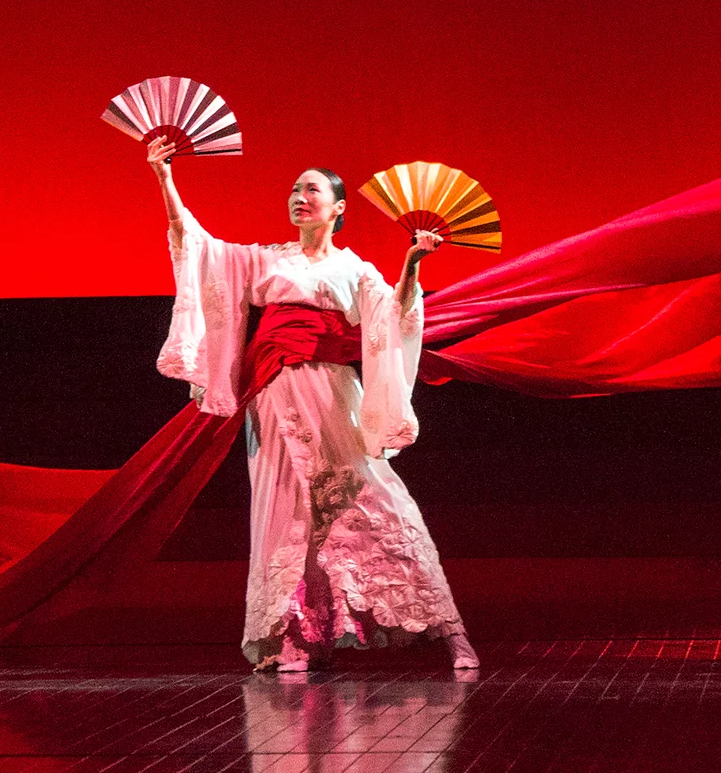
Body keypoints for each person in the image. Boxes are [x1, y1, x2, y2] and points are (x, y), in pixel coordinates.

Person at [146, 136, 480, 671]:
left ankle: (445, 628)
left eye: (313, 190)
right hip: (275, 390)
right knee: (287, 506)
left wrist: (413, 263)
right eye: (295, 190)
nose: (300, 197)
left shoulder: (355, 269)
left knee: (376, 498)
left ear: (338, 207)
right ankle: (292, 639)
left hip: (331, 389)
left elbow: (393, 316)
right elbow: (197, 245)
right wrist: (165, 178)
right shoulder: (266, 260)